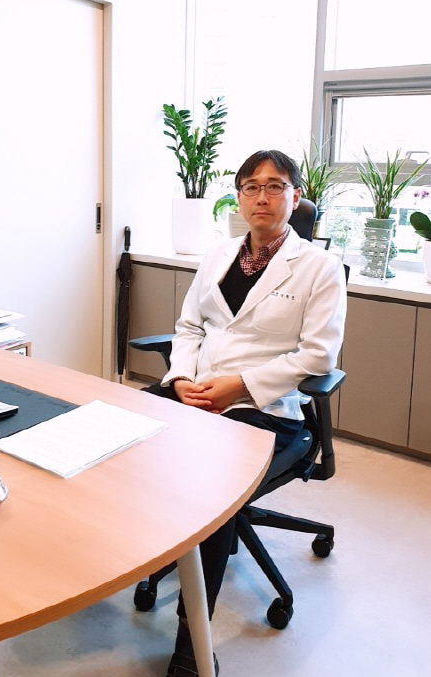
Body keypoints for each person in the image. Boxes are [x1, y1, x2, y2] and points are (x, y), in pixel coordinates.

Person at [146, 149, 347, 677]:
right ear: (238, 197)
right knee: (122, 436)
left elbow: (318, 357)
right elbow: (189, 327)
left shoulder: (320, 267)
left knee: (211, 495)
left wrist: (238, 387)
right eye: (251, 186)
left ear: (295, 197)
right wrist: (181, 380)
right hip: (196, 394)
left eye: (275, 186)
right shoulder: (217, 255)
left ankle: (191, 644)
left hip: (267, 408)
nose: (262, 196)